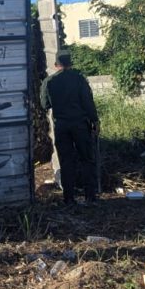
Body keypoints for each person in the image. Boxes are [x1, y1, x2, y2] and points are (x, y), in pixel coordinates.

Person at [39, 49, 100, 206]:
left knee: (66, 162)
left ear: (56, 64)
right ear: (70, 63)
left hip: (62, 126)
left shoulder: (49, 82)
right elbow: (88, 102)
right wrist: (95, 121)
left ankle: (69, 198)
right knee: (87, 159)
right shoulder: (79, 79)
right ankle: (90, 197)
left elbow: (45, 104)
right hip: (80, 125)